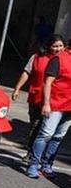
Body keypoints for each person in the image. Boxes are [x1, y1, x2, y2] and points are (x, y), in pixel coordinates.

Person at [15, 35, 65, 168]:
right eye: (55, 46)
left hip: (55, 101)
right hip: (37, 98)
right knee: (36, 127)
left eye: (60, 46)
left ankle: (42, 157)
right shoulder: (37, 57)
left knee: (48, 131)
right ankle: (31, 153)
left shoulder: (64, 60)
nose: (58, 49)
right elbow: (27, 72)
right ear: (49, 46)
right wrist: (17, 88)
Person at [28, 38, 71, 178]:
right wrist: (46, 104)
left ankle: (47, 165)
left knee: (58, 137)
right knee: (46, 134)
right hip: (55, 104)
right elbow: (47, 83)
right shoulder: (59, 59)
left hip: (69, 107)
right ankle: (33, 164)